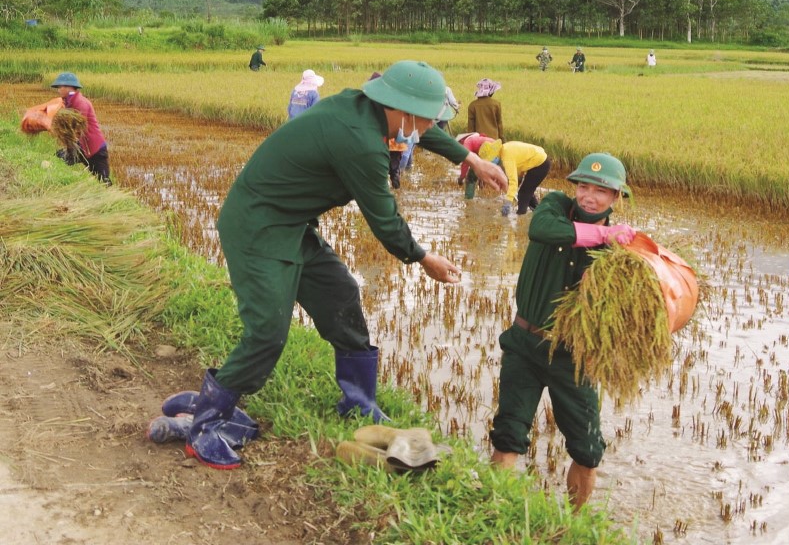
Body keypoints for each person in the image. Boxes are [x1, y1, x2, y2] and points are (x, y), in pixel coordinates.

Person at [154, 61, 507, 470]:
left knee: (340, 293)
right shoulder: (359, 141)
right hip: (258, 225)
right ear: (403, 109)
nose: (429, 128)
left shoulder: (364, 107)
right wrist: (423, 258)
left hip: (292, 224)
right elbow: (385, 221)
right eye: (428, 119)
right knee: (268, 331)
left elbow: (426, 137)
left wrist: (472, 159)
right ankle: (205, 424)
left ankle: (358, 403)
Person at [489, 152, 635, 510]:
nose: (589, 195)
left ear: (616, 197)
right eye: (584, 186)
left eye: (600, 191)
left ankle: (574, 523)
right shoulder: (554, 206)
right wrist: (601, 234)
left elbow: (619, 311)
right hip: (524, 344)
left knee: (587, 450)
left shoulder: (618, 252)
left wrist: (602, 284)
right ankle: (493, 513)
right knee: (508, 436)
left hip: (572, 357)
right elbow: (541, 230)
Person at [50, 71, 111, 184]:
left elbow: (77, 127)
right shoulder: (68, 102)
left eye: (60, 87)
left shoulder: (80, 103)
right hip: (82, 146)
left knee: (103, 180)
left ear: (69, 87)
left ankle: (116, 199)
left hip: (95, 148)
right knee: (58, 158)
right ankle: (61, 183)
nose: (58, 90)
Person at [478, 138, 551, 216]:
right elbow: (519, 164)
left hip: (540, 164)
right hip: (538, 161)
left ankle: (520, 218)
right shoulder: (505, 148)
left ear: (493, 156)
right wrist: (516, 183)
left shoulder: (507, 157)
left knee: (523, 194)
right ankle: (539, 214)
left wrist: (508, 202)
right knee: (527, 192)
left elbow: (513, 181)